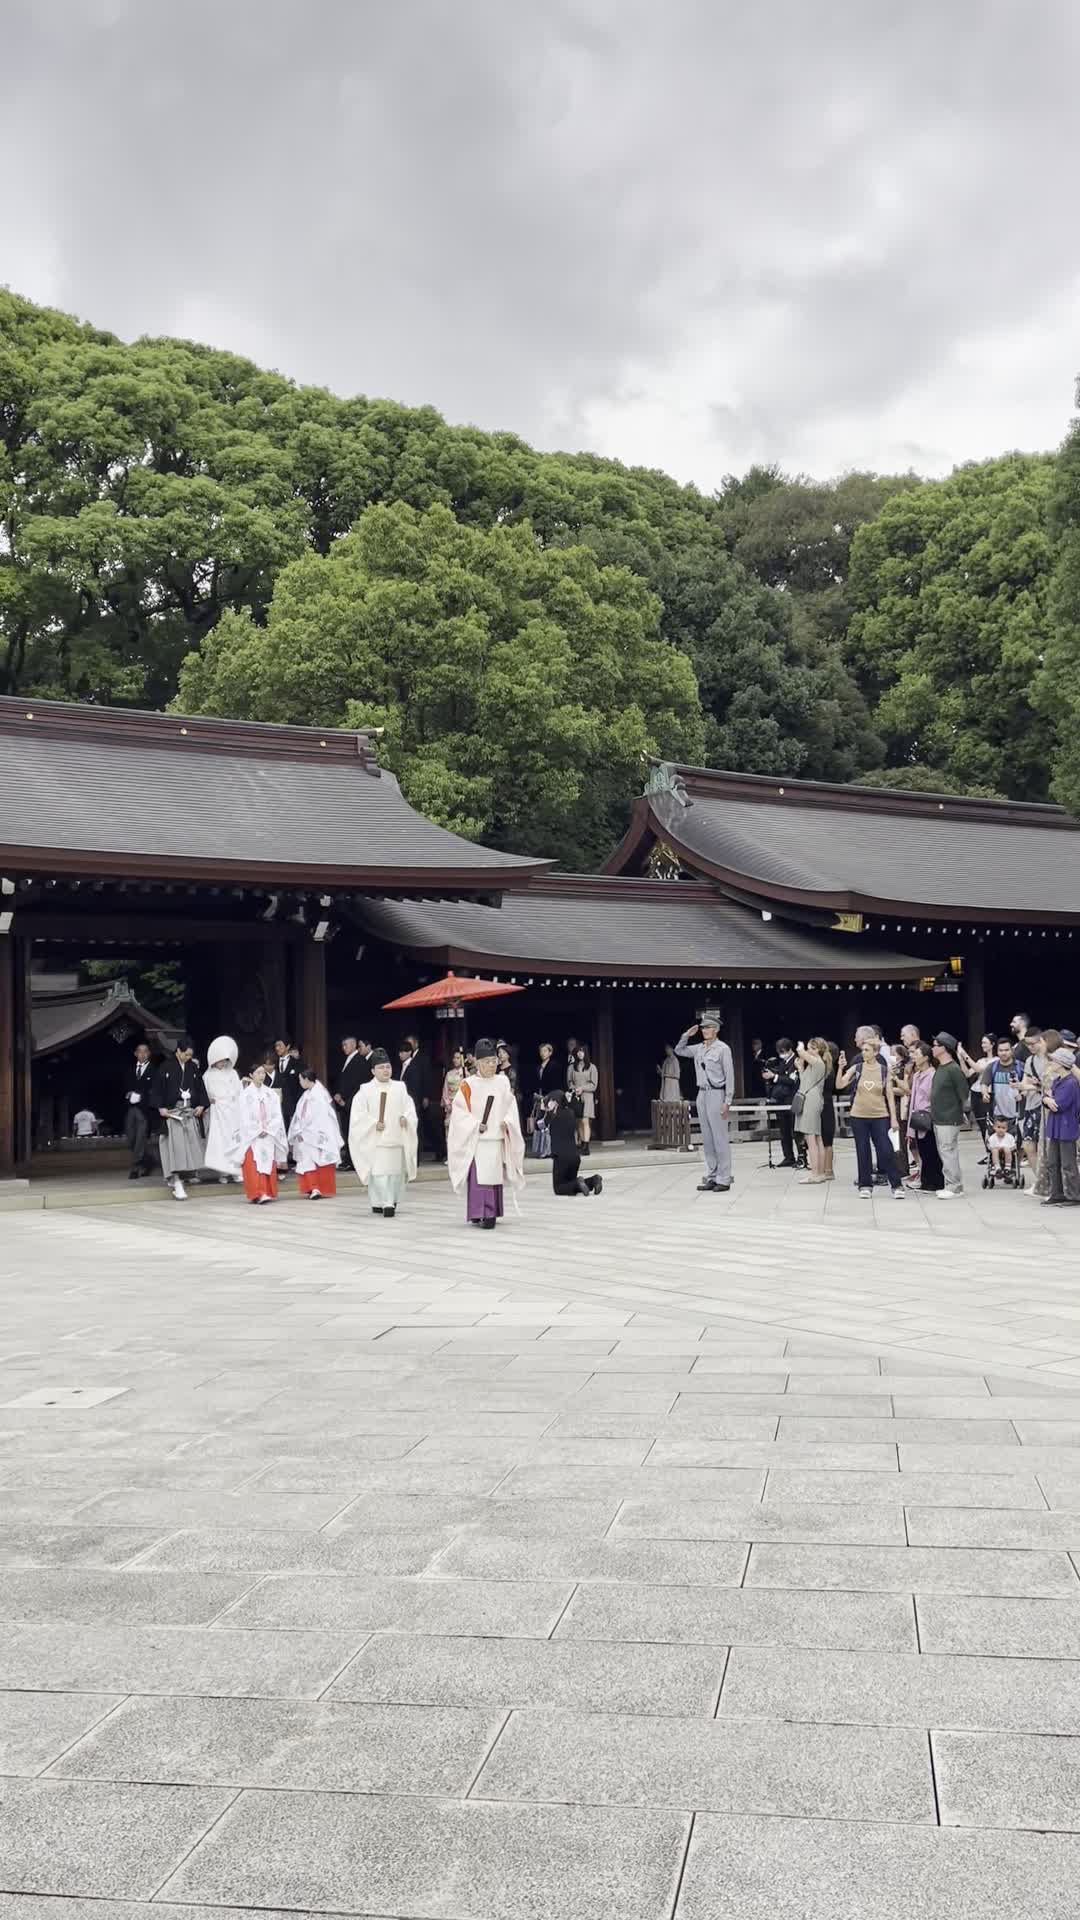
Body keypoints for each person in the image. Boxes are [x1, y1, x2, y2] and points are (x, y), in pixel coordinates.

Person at [447, 1036, 526, 1229]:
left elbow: (510, 1106)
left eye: (494, 1061)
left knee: (493, 1176)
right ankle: (479, 1213)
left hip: (496, 1137)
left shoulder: (502, 1082)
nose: (492, 1066)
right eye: (487, 1062)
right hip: (478, 1139)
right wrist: (474, 1124)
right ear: (478, 1063)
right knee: (479, 1177)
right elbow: (460, 1111)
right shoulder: (468, 1084)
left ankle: (490, 1213)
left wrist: (507, 1122)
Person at [349, 1047, 419, 1216]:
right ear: (373, 1070)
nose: (385, 1070)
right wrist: (373, 1124)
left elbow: (409, 1108)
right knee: (379, 1173)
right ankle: (382, 1202)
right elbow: (358, 1116)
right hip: (377, 1140)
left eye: (388, 1067)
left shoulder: (400, 1087)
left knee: (395, 1174)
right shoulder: (365, 1090)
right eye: (381, 1067)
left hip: (396, 1138)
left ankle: (391, 1200)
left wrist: (406, 1118)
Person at [836, 1037, 903, 1198]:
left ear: (876, 1052)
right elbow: (839, 1085)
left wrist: (893, 1118)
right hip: (858, 1116)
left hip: (880, 1115)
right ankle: (865, 1185)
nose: (863, 1053)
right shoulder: (857, 1068)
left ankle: (897, 1185)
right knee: (862, 1150)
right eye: (863, 1050)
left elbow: (889, 1096)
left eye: (867, 1050)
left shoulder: (884, 1070)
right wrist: (840, 1068)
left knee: (886, 1150)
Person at [676, 1011, 734, 1193]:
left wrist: (728, 1100)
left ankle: (724, 1179)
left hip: (717, 1093)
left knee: (720, 1138)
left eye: (707, 1027)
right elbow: (679, 1050)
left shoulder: (723, 1049)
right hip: (702, 1094)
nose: (704, 1030)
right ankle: (712, 1176)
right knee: (707, 1139)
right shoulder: (699, 1048)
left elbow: (730, 1076)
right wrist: (686, 1035)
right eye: (702, 1028)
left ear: (715, 1029)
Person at [151, 1034, 206, 1201]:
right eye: (186, 1054)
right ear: (178, 1051)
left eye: (190, 1055)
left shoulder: (192, 1067)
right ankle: (175, 1180)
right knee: (175, 1149)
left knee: (189, 1145)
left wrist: (201, 1105)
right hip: (172, 1113)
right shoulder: (165, 1067)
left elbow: (200, 1088)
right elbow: (157, 1090)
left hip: (188, 1111)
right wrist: (161, 1107)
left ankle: (189, 1173)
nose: (189, 1058)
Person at [288, 1063, 343, 1198]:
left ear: (306, 1079)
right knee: (308, 1161)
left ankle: (316, 1188)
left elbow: (318, 1118)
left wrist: (303, 1131)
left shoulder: (318, 1095)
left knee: (314, 1160)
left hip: (315, 1134)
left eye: (300, 1080)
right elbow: (299, 1116)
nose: (300, 1082)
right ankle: (313, 1188)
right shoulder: (307, 1094)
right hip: (306, 1133)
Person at [238, 1062, 288, 1203]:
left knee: (267, 1161)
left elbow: (277, 1115)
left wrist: (268, 1129)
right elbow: (244, 1117)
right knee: (254, 1163)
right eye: (258, 1073)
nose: (261, 1075)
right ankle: (257, 1193)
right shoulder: (245, 1095)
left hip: (268, 1134)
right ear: (251, 1075)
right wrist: (257, 1130)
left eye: (263, 1073)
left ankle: (266, 1191)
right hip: (253, 1136)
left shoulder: (270, 1093)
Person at [930, 1032, 970, 1199]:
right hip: (939, 1117)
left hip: (949, 1117)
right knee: (945, 1151)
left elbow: (964, 1093)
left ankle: (954, 1186)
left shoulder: (953, 1069)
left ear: (944, 1048)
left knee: (948, 1150)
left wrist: (962, 1113)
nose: (932, 1048)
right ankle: (952, 1184)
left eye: (935, 1045)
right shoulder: (941, 1067)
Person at [202, 1036, 246, 1183]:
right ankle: (223, 1173)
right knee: (220, 1141)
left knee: (234, 1140)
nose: (222, 1063)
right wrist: (209, 1100)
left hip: (232, 1111)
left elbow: (239, 1091)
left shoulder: (233, 1073)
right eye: (219, 1060)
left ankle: (236, 1170)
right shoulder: (207, 1076)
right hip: (217, 1113)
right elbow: (204, 1094)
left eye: (224, 1060)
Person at [1042, 1045, 1080, 1206]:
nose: (1052, 1062)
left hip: (1066, 1126)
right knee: (1052, 1162)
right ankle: (1057, 1193)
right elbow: (1048, 1097)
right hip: (1056, 1126)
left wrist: (1048, 1099)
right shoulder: (1058, 1080)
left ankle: (1074, 1195)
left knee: (1068, 1163)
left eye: (1054, 1060)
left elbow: (1059, 1104)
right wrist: (1047, 1099)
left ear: (1061, 1063)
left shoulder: (1071, 1083)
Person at [547, 1090, 603, 1196]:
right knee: (570, 1185)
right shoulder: (571, 1113)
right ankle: (593, 1180)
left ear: (555, 1102)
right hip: (574, 1156)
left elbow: (538, 1125)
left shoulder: (553, 1117)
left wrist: (542, 1109)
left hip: (561, 1157)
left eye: (550, 1100)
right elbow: (578, 1110)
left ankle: (579, 1181)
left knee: (559, 1188)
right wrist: (572, 1099)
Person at [905, 1038, 943, 1191]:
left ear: (926, 1057)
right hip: (917, 1117)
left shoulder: (933, 1074)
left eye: (916, 1054)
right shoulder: (916, 1075)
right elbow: (913, 1098)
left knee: (931, 1150)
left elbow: (933, 1098)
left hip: (928, 1117)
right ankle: (926, 1181)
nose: (913, 1056)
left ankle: (935, 1182)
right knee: (923, 1150)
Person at [794, 1038, 829, 1185]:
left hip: (811, 1100)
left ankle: (815, 1173)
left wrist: (801, 1048)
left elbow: (801, 1052)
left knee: (811, 1137)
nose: (808, 1051)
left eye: (811, 1048)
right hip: (812, 1097)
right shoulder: (816, 1064)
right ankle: (819, 1173)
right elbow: (805, 1081)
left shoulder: (818, 1062)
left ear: (817, 1049)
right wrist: (801, 1068)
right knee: (817, 1137)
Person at [762, 1038, 800, 1168]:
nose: (781, 1054)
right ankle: (788, 1156)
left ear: (790, 1049)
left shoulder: (797, 1061)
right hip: (780, 1100)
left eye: (783, 1051)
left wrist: (775, 1077)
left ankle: (801, 1156)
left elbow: (792, 1080)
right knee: (784, 1131)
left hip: (792, 1099)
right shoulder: (783, 1062)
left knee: (796, 1130)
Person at [122, 1040, 157, 1179]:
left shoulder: (154, 1070)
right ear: (135, 1054)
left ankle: (136, 1167)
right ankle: (149, 1161)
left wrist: (142, 1096)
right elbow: (124, 1088)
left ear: (149, 1054)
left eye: (145, 1051)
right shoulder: (129, 1070)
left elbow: (155, 1090)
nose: (142, 1054)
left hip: (144, 1110)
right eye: (140, 1051)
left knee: (140, 1139)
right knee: (131, 1139)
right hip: (131, 1108)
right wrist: (129, 1094)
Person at [334, 1039, 372, 1164]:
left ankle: (354, 1161)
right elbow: (344, 1081)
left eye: (346, 1045)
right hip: (344, 1102)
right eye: (342, 1045)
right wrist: (339, 1094)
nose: (344, 1047)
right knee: (347, 1131)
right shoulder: (348, 1059)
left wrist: (347, 1102)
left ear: (354, 1045)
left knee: (355, 1133)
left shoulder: (360, 1061)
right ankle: (349, 1159)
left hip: (352, 1103)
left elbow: (359, 1085)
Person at [569, 1043, 599, 1152]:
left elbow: (594, 1085)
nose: (580, 1053)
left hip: (587, 1096)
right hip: (576, 1096)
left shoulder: (592, 1067)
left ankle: (586, 1145)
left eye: (582, 1051)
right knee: (578, 1121)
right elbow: (570, 1082)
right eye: (578, 1051)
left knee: (585, 1120)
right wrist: (574, 1088)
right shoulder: (572, 1068)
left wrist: (582, 1088)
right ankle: (581, 1142)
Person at [273, 1037, 301, 1130]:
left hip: (292, 1105)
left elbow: (300, 1085)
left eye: (280, 1045)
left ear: (288, 1046)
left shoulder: (297, 1063)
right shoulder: (273, 1064)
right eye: (276, 1046)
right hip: (276, 1106)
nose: (277, 1048)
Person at [988, 1113, 1017, 1180]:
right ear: (994, 1127)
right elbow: (990, 1147)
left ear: (1006, 1129)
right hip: (996, 1153)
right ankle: (997, 1168)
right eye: (998, 1127)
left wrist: (1007, 1148)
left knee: (1007, 1149)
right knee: (994, 1150)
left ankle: (1007, 1168)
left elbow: (1014, 1146)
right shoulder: (992, 1138)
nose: (1000, 1130)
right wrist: (996, 1148)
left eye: (1003, 1128)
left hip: (1007, 1153)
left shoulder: (1009, 1137)